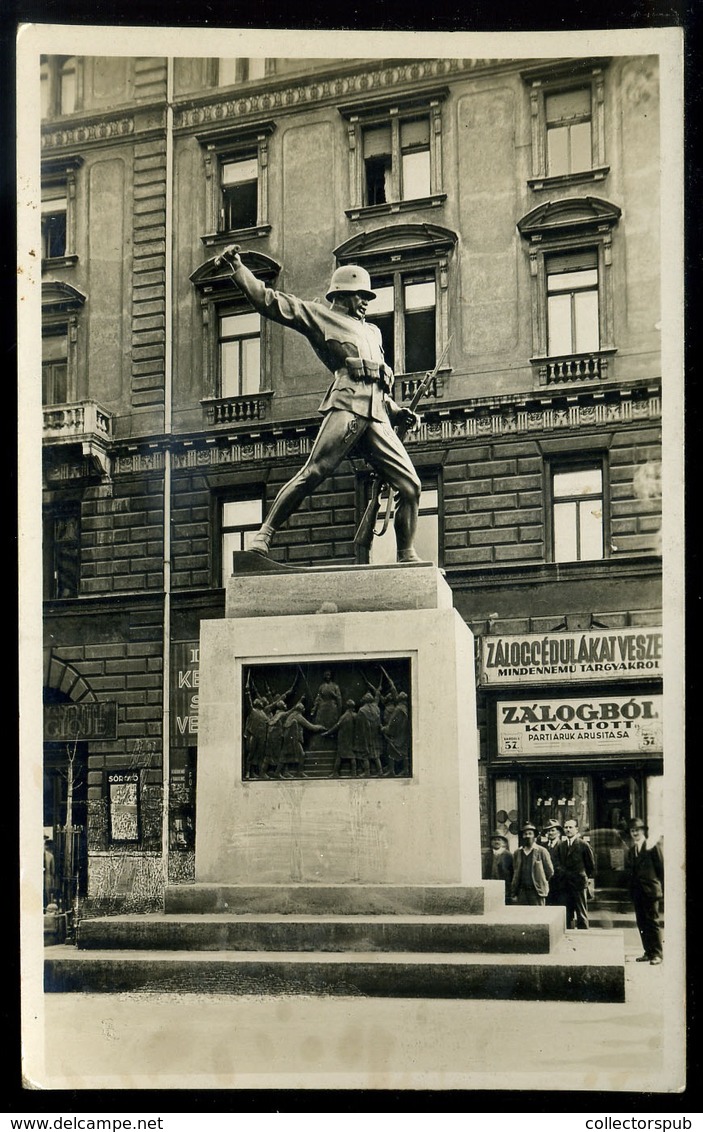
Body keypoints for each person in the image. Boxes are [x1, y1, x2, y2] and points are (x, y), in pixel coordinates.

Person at [218, 245, 422, 562]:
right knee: (314, 472)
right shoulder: (320, 316)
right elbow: (268, 301)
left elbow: (377, 382)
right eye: (361, 295)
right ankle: (263, 536)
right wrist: (237, 268)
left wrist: (397, 411)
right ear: (341, 294)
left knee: (411, 487)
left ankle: (406, 556)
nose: (367, 302)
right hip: (347, 405)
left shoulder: (374, 332)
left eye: (368, 297)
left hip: (378, 416)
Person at [626, 817, 664, 965]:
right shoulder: (632, 850)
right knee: (641, 923)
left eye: (637, 830)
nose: (635, 833)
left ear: (643, 831)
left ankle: (657, 954)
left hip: (650, 891)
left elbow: (661, 869)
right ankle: (648, 952)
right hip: (638, 893)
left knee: (652, 922)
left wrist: (659, 888)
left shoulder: (651, 847)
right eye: (632, 830)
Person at [557, 818, 596, 929]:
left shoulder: (583, 845)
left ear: (576, 829)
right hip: (565, 883)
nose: (568, 830)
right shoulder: (561, 846)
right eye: (566, 827)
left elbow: (590, 865)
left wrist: (583, 876)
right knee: (567, 913)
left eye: (570, 827)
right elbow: (559, 863)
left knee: (581, 913)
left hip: (578, 884)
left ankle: (584, 937)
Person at [511, 822, 554, 906]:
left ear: (535, 836)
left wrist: (540, 881)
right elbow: (515, 871)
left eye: (530, 833)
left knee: (538, 916)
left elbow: (550, 872)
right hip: (522, 892)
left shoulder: (542, 851)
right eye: (525, 834)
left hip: (537, 892)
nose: (527, 836)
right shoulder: (517, 853)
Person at [482, 831, 514, 904]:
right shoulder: (487, 855)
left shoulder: (508, 855)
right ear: (491, 842)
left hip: (504, 888)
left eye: (499, 840)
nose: (496, 842)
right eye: (494, 840)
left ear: (503, 842)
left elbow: (513, 873)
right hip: (490, 887)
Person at [543, 819, 565, 907]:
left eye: (553, 830)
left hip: (560, 883)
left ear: (559, 832)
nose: (550, 833)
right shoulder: (543, 846)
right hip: (546, 882)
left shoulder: (564, 846)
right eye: (548, 831)